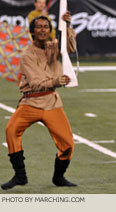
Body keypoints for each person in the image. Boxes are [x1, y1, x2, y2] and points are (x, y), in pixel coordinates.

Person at [1, 12, 77, 190]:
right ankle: (20, 176)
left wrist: (66, 26)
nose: (43, 30)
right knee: (11, 131)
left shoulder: (54, 46)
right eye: (39, 27)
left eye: (46, 27)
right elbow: (35, 84)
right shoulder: (27, 55)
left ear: (50, 31)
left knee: (67, 144)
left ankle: (58, 177)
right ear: (32, 32)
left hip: (52, 102)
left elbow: (70, 48)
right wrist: (56, 81)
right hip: (30, 102)